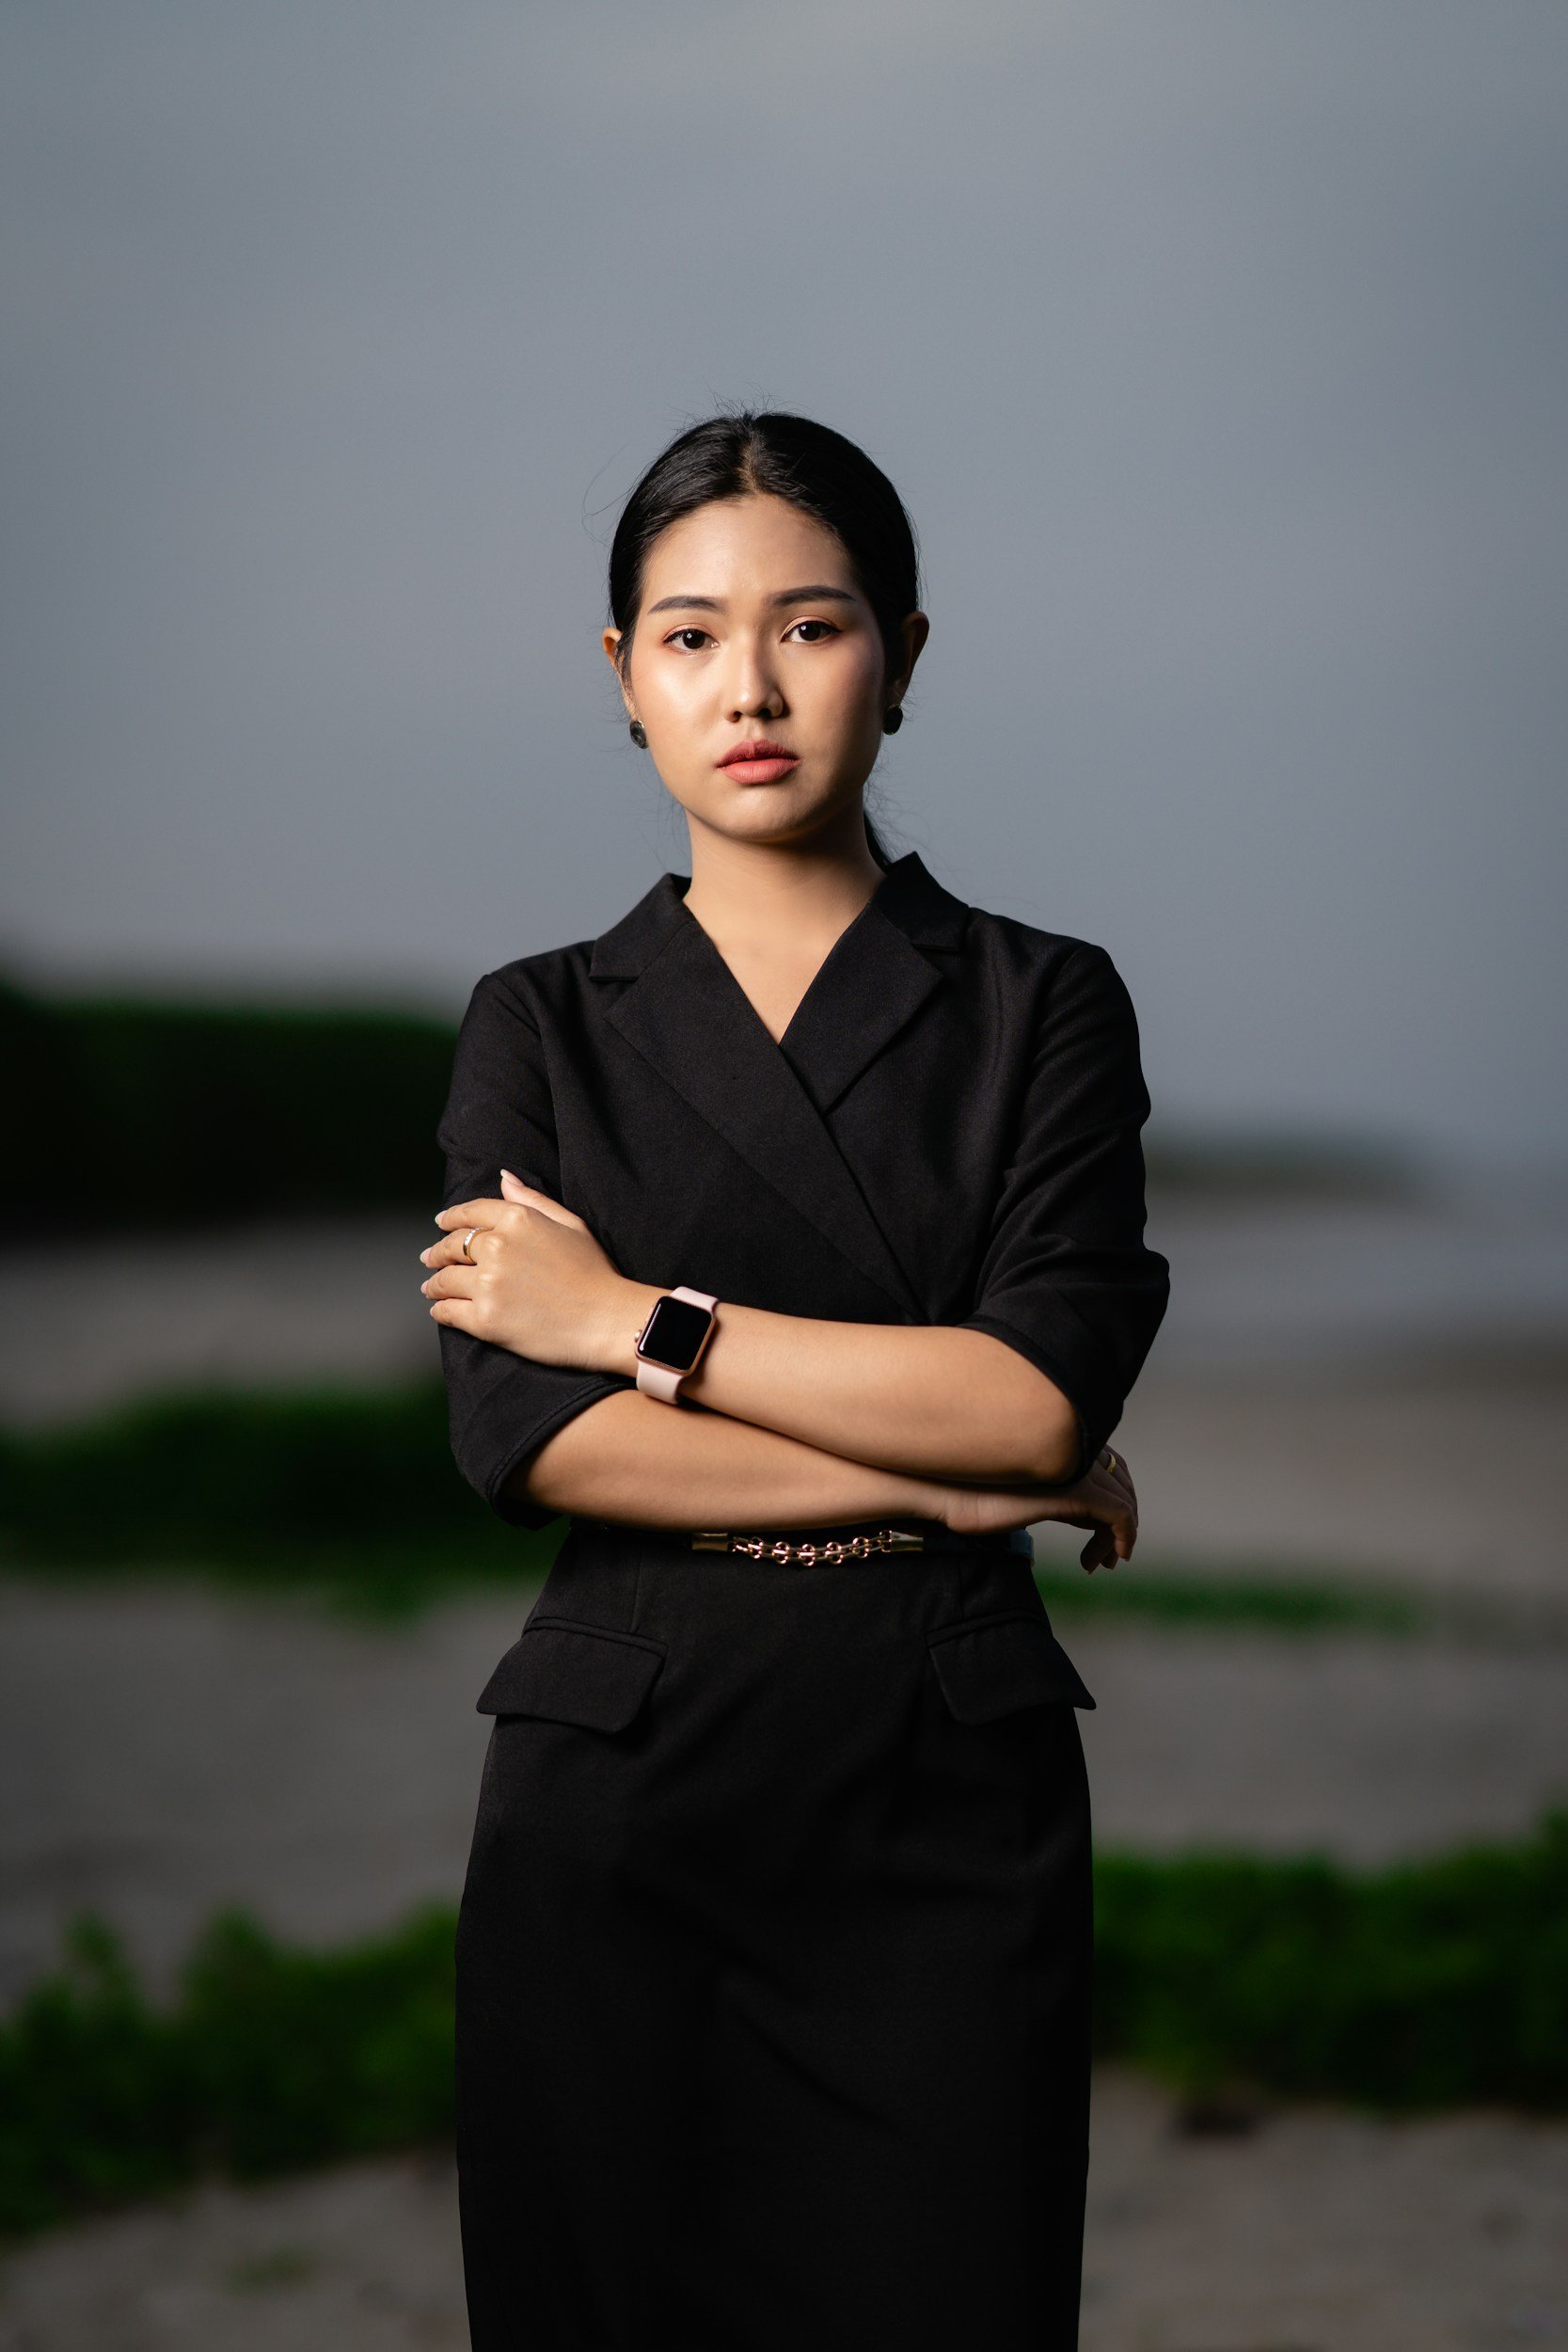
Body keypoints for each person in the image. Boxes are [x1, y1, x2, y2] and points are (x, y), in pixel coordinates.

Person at [419, 410, 1170, 2350]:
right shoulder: (538, 1023)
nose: (747, 687)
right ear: (625, 675)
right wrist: (934, 1473)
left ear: (901, 655)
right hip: (616, 1803)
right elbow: (532, 1440)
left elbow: (1036, 1402)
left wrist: (634, 1320)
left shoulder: (1041, 1004)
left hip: (947, 1796)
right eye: (689, 636)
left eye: (811, 626)